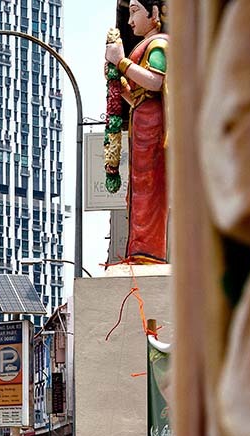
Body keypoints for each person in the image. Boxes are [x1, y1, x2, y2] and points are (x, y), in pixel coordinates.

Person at [105, 0, 168, 264]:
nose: (130, 22)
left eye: (134, 12)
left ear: (154, 13)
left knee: (150, 186)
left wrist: (121, 63)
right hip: (142, 120)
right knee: (139, 187)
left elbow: (156, 81)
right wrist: (120, 86)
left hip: (152, 125)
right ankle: (139, 247)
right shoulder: (144, 45)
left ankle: (149, 250)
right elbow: (140, 95)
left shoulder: (159, 44)